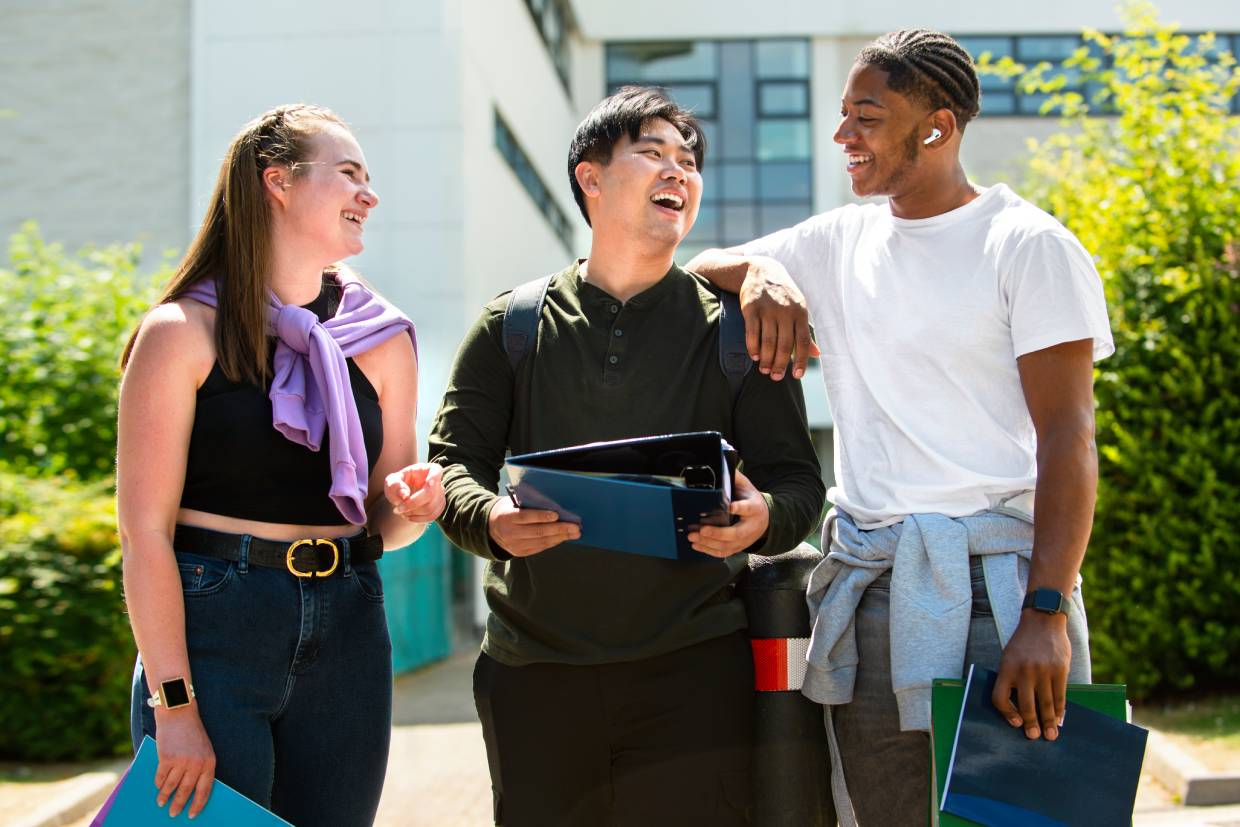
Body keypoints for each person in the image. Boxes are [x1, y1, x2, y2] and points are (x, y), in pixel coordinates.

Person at [688, 30, 1113, 825]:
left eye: (867, 117)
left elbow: (1069, 436)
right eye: (843, 113)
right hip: (874, 593)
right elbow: (699, 266)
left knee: (1022, 818)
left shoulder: (1028, 245)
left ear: (938, 127)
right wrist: (763, 270)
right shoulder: (834, 242)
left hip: (1000, 593)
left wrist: (1046, 614)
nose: (842, 134)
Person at [429, 86, 825, 827]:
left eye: (690, 161)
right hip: (532, 674)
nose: (679, 170)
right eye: (652, 152)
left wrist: (764, 518)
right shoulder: (511, 325)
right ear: (591, 177)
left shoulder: (736, 331)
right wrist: (490, 520)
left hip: (697, 673)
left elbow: (800, 481)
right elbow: (453, 463)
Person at [116, 104, 444, 826]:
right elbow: (143, 535)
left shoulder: (382, 338)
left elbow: (386, 524)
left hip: (351, 623)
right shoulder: (181, 332)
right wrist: (175, 708)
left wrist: (415, 508)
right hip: (215, 625)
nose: (369, 195)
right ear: (279, 182)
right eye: (348, 174)